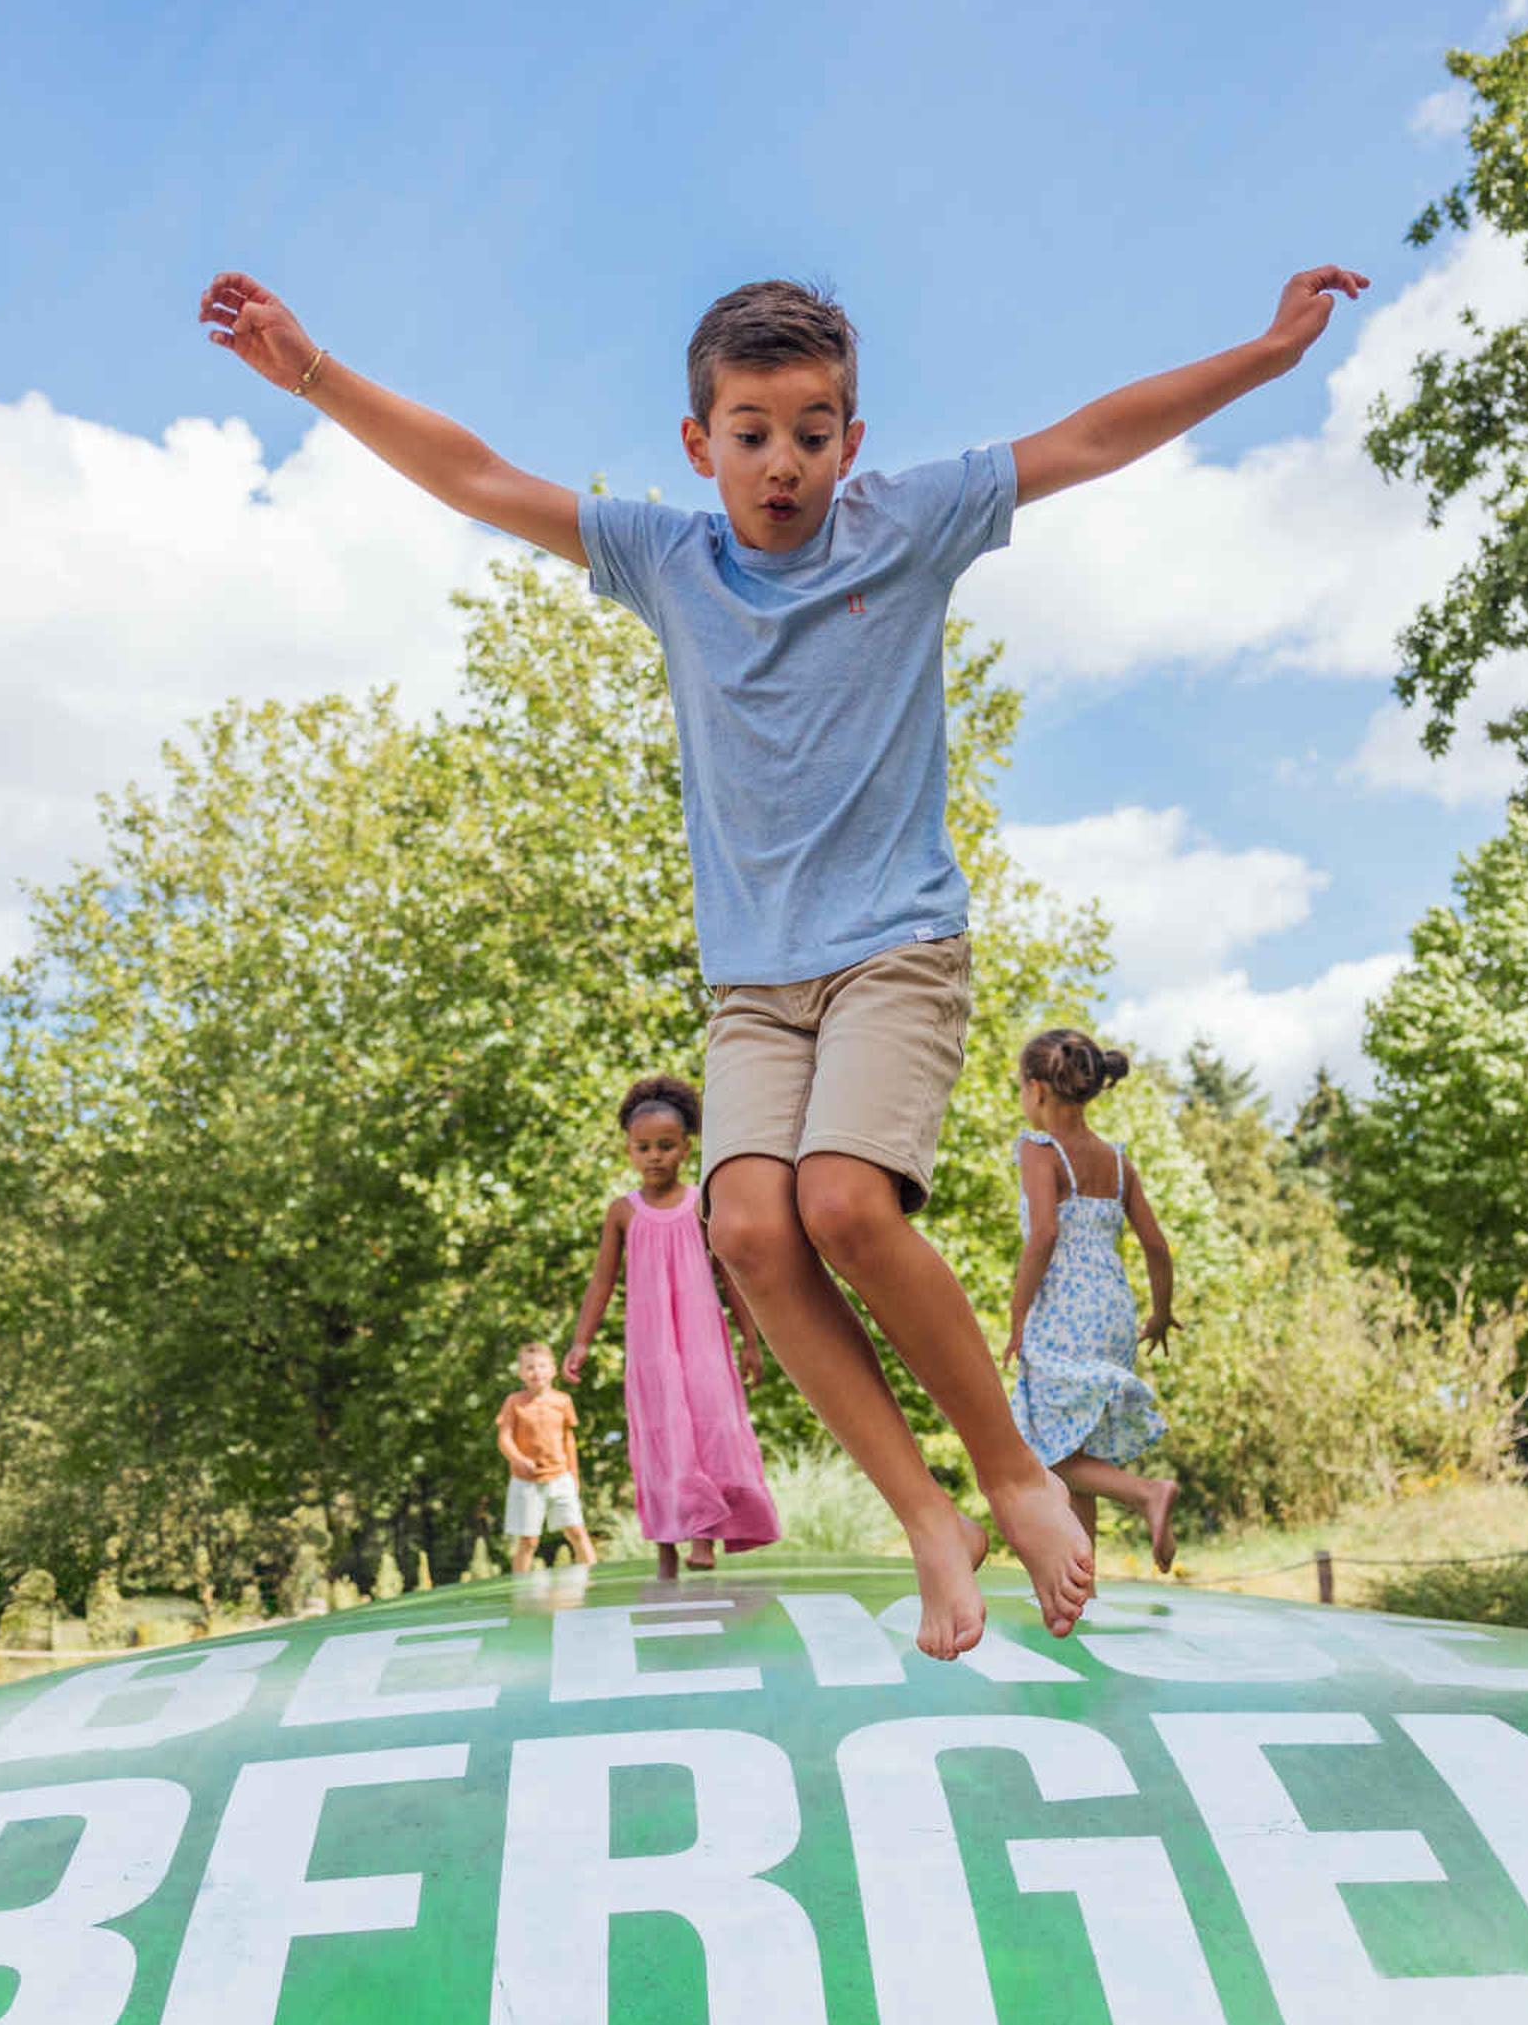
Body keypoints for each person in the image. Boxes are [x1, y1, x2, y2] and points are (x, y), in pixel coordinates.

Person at [202, 259, 1364, 1656]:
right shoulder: (663, 558)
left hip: (894, 949)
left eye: (814, 431)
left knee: (847, 1206)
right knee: (746, 1226)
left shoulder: (909, 521)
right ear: (700, 445)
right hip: (757, 983)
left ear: (852, 442)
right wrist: (316, 375)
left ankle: (1011, 1474)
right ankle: (929, 1518)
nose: (784, 462)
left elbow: (1089, 436)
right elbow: (479, 477)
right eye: (751, 433)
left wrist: (1267, 357)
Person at [566, 1074, 781, 1579]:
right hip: (652, 1347)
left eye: (666, 1146)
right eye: (643, 1148)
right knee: (660, 1435)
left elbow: (731, 1277)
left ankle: (706, 1535)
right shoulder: (622, 1212)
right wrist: (580, 1342)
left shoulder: (701, 1205)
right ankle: (666, 1545)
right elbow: (601, 1284)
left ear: (686, 1148)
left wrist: (751, 1342)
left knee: (709, 1425)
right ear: (628, 1151)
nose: (655, 1156)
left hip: (704, 1340)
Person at [1003, 1029, 1179, 1571]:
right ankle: (1085, 1588)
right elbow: (1155, 1244)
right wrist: (1162, 1313)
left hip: (1063, 1313)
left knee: (1038, 1448)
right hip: (1114, 1313)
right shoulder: (1118, 1162)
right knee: (1078, 1450)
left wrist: (1016, 1318)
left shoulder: (1040, 1151)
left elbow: (1044, 1235)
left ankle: (1147, 1492)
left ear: (1036, 1090)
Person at [495, 1342, 593, 1572]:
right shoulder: (514, 1402)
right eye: (529, 1368)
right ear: (521, 1373)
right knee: (529, 1541)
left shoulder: (562, 1401)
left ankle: (593, 1581)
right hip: (526, 1481)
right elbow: (504, 1438)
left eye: (541, 1366)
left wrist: (574, 1476)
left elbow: (569, 1441)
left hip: (560, 1477)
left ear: (552, 1370)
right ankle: (520, 1589)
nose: (536, 1372)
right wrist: (518, 1459)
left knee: (576, 1531)